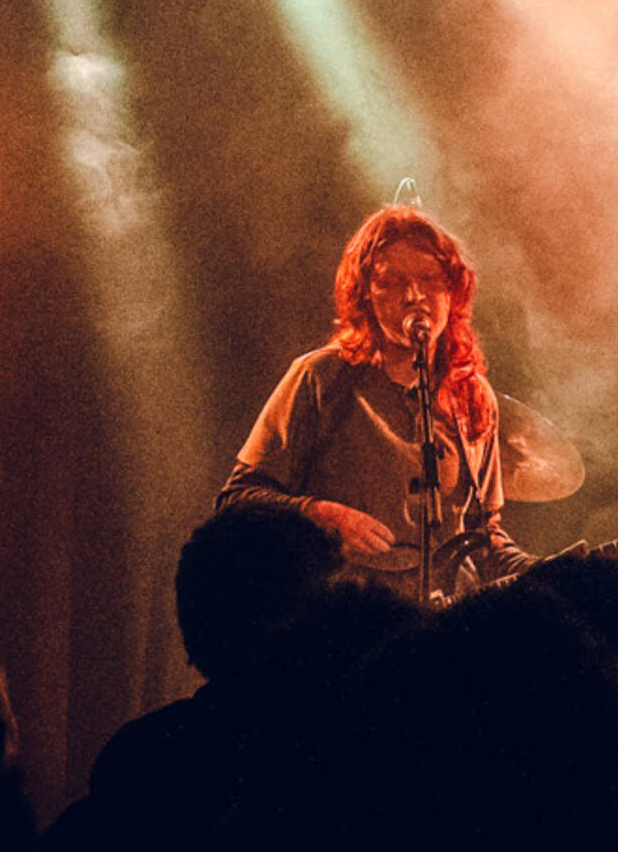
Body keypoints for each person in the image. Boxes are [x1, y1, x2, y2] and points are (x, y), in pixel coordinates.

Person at [220, 204, 530, 591]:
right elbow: (237, 501)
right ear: (365, 294)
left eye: (429, 278)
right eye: (393, 281)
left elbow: (484, 539)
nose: (414, 295)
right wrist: (317, 515)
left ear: (453, 292)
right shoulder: (319, 377)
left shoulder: (471, 394)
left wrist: (553, 573)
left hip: (449, 632)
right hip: (347, 624)